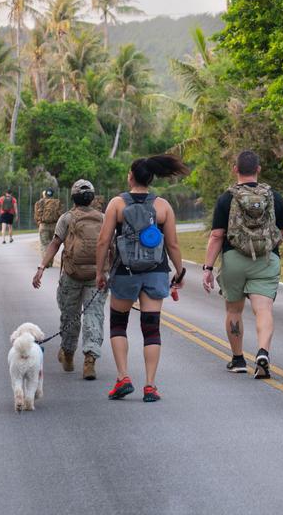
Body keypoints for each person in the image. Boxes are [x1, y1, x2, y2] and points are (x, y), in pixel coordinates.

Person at [95, 155, 189, 402]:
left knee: (118, 324)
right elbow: (173, 244)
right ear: (151, 178)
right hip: (156, 272)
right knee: (151, 328)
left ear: (131, 176)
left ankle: (123, 377)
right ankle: (150, 385)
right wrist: (179, 272)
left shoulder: (116, 204)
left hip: (125, 272)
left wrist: (99, 272)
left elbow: (103, 241)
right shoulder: (163, 206)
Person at [202, 150, 283, 379]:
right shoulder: (275, 197)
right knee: (263, 309)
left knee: (233, 309)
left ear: (235, 169)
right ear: (258, 169)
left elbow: (217, 236)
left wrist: (208, 268)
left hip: (234, 259)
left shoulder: (226, 198)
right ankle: (262, 352)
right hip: (266, 260)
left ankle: (238, 359)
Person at [32, 179, 106, 380]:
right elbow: (109, 246)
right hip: (97, 276)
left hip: (72, 275)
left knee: (70, 315)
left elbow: (55, 244)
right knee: (94, 316)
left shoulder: (66, 218)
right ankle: (90, 360)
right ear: (92, 198)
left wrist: (41, 267)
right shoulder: (103, 218)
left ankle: (68, 354)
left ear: (73, 198)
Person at [34, 188, 62, 265]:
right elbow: (60, 214)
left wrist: (38, 223)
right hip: (54, 226)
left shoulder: (40, 202)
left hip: (43, 225)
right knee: (52, 244)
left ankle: (46, 263)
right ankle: (51, 261)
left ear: (45, 194)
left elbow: (36, 215)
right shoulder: (57, 202)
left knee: (44, 244)